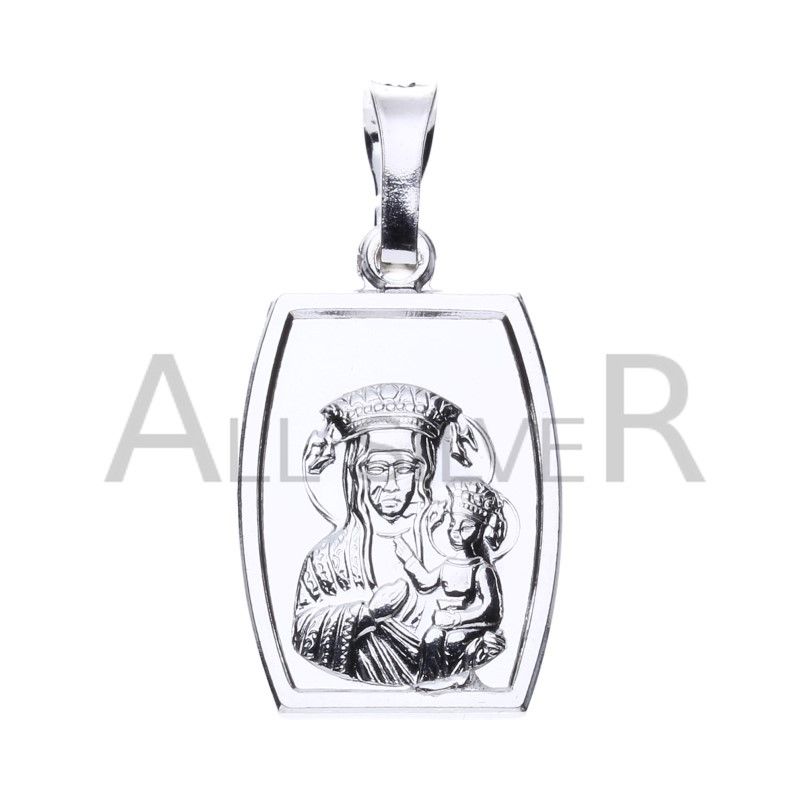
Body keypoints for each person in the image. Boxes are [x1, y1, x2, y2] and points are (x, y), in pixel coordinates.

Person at [292, 383, 482, 686]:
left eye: (404, 468)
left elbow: (478, 612)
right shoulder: (327, 559)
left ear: (424, 472)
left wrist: (476, 643)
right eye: (377, 468)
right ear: (357, 473)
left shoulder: (450, 543)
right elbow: (303, 630)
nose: (391, 483)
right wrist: (366, 613)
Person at [393, 480, 507, 685]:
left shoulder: (483, 569)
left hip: (469, 624)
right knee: (431, 637)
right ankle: (429, 683)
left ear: (481, 529)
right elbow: (426, 583)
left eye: (466, 526)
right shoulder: (448, 565)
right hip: (443, 622)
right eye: (453, 524)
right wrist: (408, 558)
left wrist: (456, 619)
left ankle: (454, 681)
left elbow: (492, 611)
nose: (456, 531)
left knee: (454, 641)